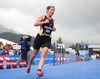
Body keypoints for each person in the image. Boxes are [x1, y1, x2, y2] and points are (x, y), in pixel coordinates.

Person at [27, 6, 56, 77]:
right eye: (51, 10)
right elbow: (35, 24)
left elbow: (48, 28)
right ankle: (29, 64)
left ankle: (39, 71)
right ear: (47, 10)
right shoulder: (43, 17)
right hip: (39, 38)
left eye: (53, 10)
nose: (52, 12)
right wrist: (44, 22)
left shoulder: (53, 20)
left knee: (43, 56)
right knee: (34, 54)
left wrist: (53, 29)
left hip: (47, 39)